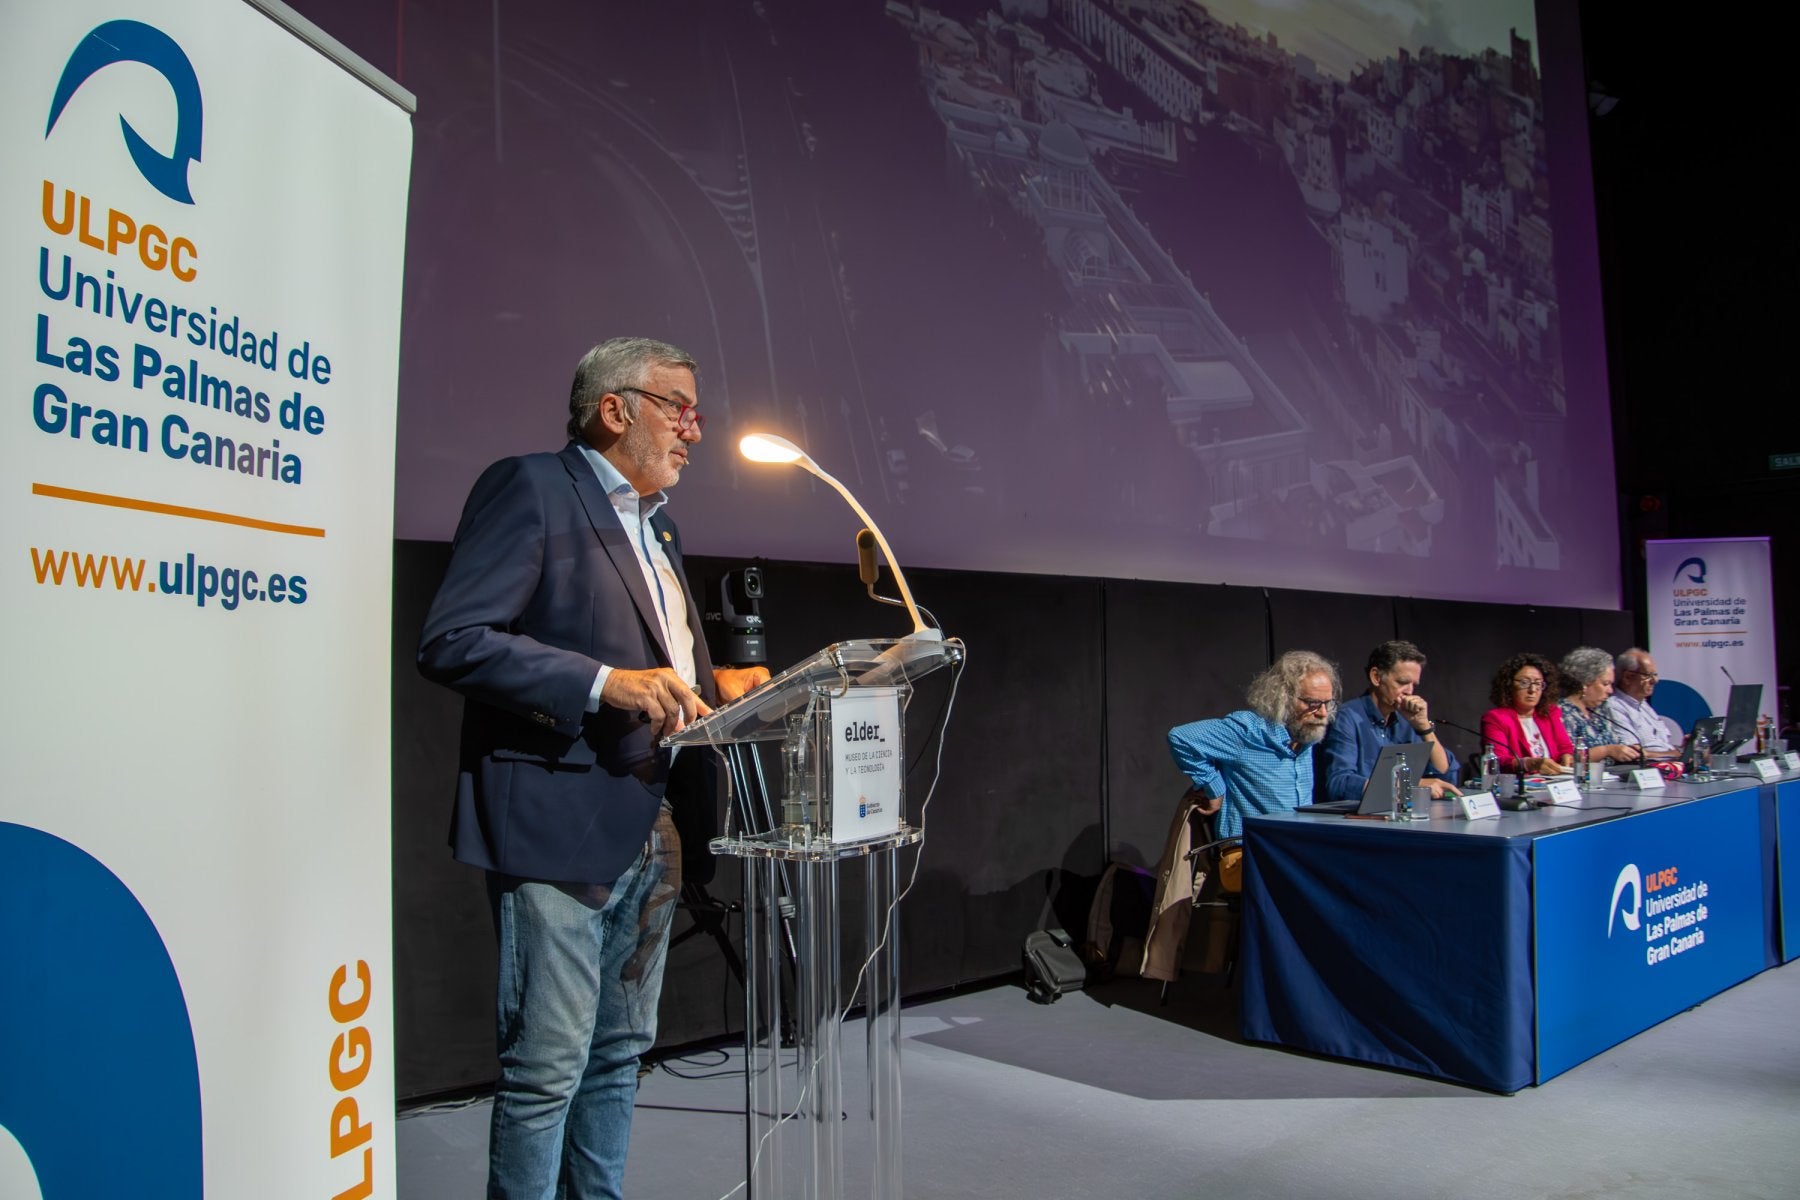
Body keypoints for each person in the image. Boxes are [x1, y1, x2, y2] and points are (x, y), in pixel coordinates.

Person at [417, 337, 769, 1200]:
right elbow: (454, 641)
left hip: (658, 821)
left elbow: (656, 663)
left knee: (618, 1056)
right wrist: (603, 683)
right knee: (547, 1067)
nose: (696, 428)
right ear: (617, 409)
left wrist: (709, 686)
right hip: (557, 820)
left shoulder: (660, 524)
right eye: (679, 406)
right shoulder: (533, 487)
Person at [1168, 650, 1341, 837]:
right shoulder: (1248, 732)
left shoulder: (1306, 734)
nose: (1323, 713)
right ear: (1284, 698)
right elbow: (1181, 737)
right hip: (1250, 851)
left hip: (1295, 846)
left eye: (1327, 703)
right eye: (1313, 703)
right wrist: (1215, 788)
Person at [1318, 640, 1461, 806]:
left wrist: (1424, 728)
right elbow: (1339, 784)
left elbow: (1446, 776)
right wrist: (1412, 785)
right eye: (1402, 682)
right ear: (1376, 677)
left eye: (1413, 684)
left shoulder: (1407, 719)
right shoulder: (1347, 717)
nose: (1409, 691)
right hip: (1359, 821)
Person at [1479, 652, 1573, 775]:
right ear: (1509, 685)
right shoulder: (1495, 718)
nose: (1532, 690)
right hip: (1520, 786)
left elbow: (1564, 747)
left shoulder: (1550, 713)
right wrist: (1530, 764)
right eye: (1524, 683)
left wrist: (1567, 757)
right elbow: (1497, 760)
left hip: (1555, 782)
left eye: (1538, 683)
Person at [1556, 646, 1643, 766]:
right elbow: (1568, 760)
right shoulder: (1561, 712)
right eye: (1605, 684)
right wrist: (1607, 751)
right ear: (1585, 682)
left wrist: (1627, 750)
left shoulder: (1599, 711)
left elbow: (1615, 744)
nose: (1610, 691)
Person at [1602, 648, 1681, 758]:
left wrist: (1683, 749)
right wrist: (1674, 754)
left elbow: (1661, 744)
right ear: (1628, 677)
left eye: (1655, 674)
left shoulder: (1643, 704)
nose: (1655, 680)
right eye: (1648, 675)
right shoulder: (1614, 706)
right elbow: (1633, 753)